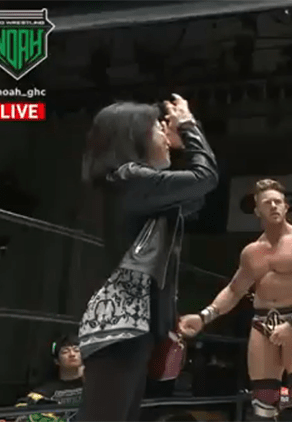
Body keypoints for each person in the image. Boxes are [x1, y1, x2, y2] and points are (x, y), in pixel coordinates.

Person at [78, 95, 218, 421]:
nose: (167, 137)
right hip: (117, 326)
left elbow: (195, 198)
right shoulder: (127, 179)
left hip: (131, 326)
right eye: (158, 128)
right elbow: (205, 178)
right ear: (135, 136)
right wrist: (189, 127)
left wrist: (180, 145)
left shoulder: (134, 186)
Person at [179, 179, 292, 422]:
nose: (274, 206)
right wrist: (203, 317)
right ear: (257, 210)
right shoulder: (252, 252)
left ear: (286, 206)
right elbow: (234, 290)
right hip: (262, 323)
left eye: (278, 202)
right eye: (267, 203)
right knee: (262, 401)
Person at [3, 335, 85, 422]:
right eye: (65, 352)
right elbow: (19, 411)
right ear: (56, 361)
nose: (72, 354)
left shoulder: (92, 385)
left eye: (76, 350)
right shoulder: (44, 392)